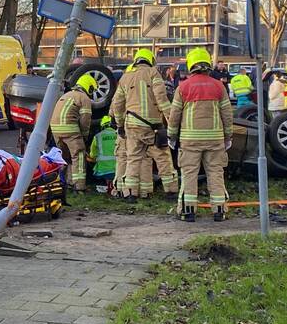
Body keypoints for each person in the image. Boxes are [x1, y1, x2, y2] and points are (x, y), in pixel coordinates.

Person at [168, 48, 233, 222]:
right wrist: (228, 136)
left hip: (190, 140)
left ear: (191, 65)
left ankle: (188, 212)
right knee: (215, 173)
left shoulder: (183, 87)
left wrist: (172, 136)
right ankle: (219, 210)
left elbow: (174, 115)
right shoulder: (219, 86)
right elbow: (227, 114)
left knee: (189, 174)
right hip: (215, 139)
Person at [112, 48, 172, 202]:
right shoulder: (153, 73)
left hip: (131, 124)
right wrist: (172, 122)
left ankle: (130, 194)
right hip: (153, 126)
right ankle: (171, 192)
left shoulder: (125, 77)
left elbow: (117, 104)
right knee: (163, 157)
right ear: (151, 61)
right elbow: (162, 99)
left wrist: (119, 125)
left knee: (133, 158)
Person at [50, 74, 96, 192]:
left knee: (67, 158)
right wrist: (84, 136)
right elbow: (85, 120)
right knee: (78, 156)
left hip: (55, 129)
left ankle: (67, 183)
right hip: (70, 129)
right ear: (89, 87)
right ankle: (79, 187)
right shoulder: (83, 98)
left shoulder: (67, 95)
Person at [88, 115, 118, 192]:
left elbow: (92, 155)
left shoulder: (97, 136)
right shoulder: (119, 135)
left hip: (103, 169)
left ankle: (109, 185)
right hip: (119, 167)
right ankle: (114, 185)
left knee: (89, 159)